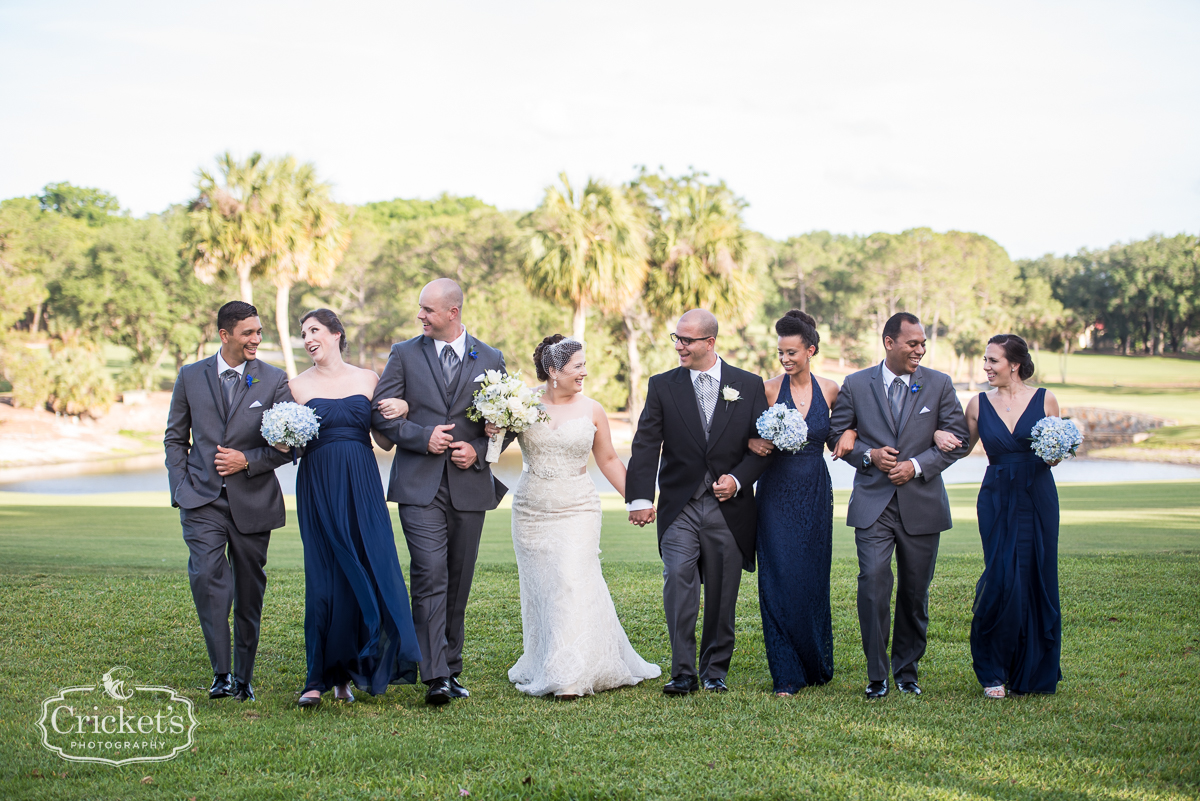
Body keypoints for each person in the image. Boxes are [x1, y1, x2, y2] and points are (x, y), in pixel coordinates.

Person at [486, 336, 661, 699]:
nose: (584, 372)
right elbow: (493, 453)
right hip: (531, 510)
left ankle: (569, 673)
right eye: (577, 366)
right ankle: (546, 659)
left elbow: (609, 460)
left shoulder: (592, 409)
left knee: (570, 580)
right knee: (542, 590)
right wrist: (492, 431)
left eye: (584, 364)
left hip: (578, 507)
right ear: (553, 371)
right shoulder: (520, 403)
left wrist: (638, 499)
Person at [370, 278, 511, 705]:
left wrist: (482, 449)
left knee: (458, 580)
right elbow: (381, 416)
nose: (420, 316)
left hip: (469, 487)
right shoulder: (402, 354)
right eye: (420, 309)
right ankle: (434, 677)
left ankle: (451, 667)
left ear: (453, 312)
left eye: (428, 310)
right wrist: (420, 436)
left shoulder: (490, 357)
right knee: (430, 572)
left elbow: (510, 421)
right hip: (419, 486)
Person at [626, 309, 772, 695]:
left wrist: (738, 479)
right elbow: (645, 444)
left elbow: (762, 447)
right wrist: (639, 498)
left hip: (729, 508)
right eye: (676, 338)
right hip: (680, 506)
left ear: (710, 343)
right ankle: (683, 671)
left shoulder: (749, 384)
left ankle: (715, 670)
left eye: (687, 340)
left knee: (723, 592)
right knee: (678, 580)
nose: (679, 346)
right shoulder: (662, 385)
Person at [284, 309, 422, 709]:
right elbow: (287, 445)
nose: (308, 338)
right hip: (319, 484)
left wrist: (403, 410)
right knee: (326, 578)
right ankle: (316, 678)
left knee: (372, 566)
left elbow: (385, 440)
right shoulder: (295, 386)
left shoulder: (368, 379)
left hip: (362, 483)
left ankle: (354, 671)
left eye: (314, 330)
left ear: (336, 334)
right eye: (303, 332)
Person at [827, 312, 969, 699]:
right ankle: (877, 675)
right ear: (889, 343)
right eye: (913, 343)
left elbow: (960, 439)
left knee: (913, 592)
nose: (920, 350)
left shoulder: (939, 384)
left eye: (923, 344)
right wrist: (869, 455)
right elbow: (836, 436)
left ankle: (907, 671)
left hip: (922, 504)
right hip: (873, 503)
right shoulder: (856, 384)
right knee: (872, 583)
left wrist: (918, 465)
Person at [164, 301, 294, 702]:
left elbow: (290, 446)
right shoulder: (190, 376)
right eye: (248, 333)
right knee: (207, 580)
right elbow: (174, 438)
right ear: (225, 335)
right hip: (201, 501)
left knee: (249, 590)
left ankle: (243, 676)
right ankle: (221, 674)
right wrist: (181, 487)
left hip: (253, 502)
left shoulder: (273, 380)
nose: (256, 339)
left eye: (259, 332)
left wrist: (248, 461)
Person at [934, 334, 1063, 698]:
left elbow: (1055, 453)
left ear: (1014, 364)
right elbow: (960, 448)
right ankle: (993, 670)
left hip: (1037, 494)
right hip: (996, 496)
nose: (986, 367)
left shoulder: (1045, 399)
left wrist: (1056, 453)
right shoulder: (977, 404)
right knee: (1001, 577)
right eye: (985, 360)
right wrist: (940, 433)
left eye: (993, 360)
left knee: (1037, 576)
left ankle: (1034, 671)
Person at [746, 310, 844, 696]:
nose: (785, 359)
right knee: (778, 578)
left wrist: (849, 433)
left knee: (812, 578)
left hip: (815, 490)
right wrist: (751, 442)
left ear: (811, 350)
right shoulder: (768, 390)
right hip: (775, 491)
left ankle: (815, 662)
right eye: (781, 352)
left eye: (792, 352)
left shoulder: (831, 390)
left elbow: (844, 428)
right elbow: (740, 434)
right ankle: (786, 673)